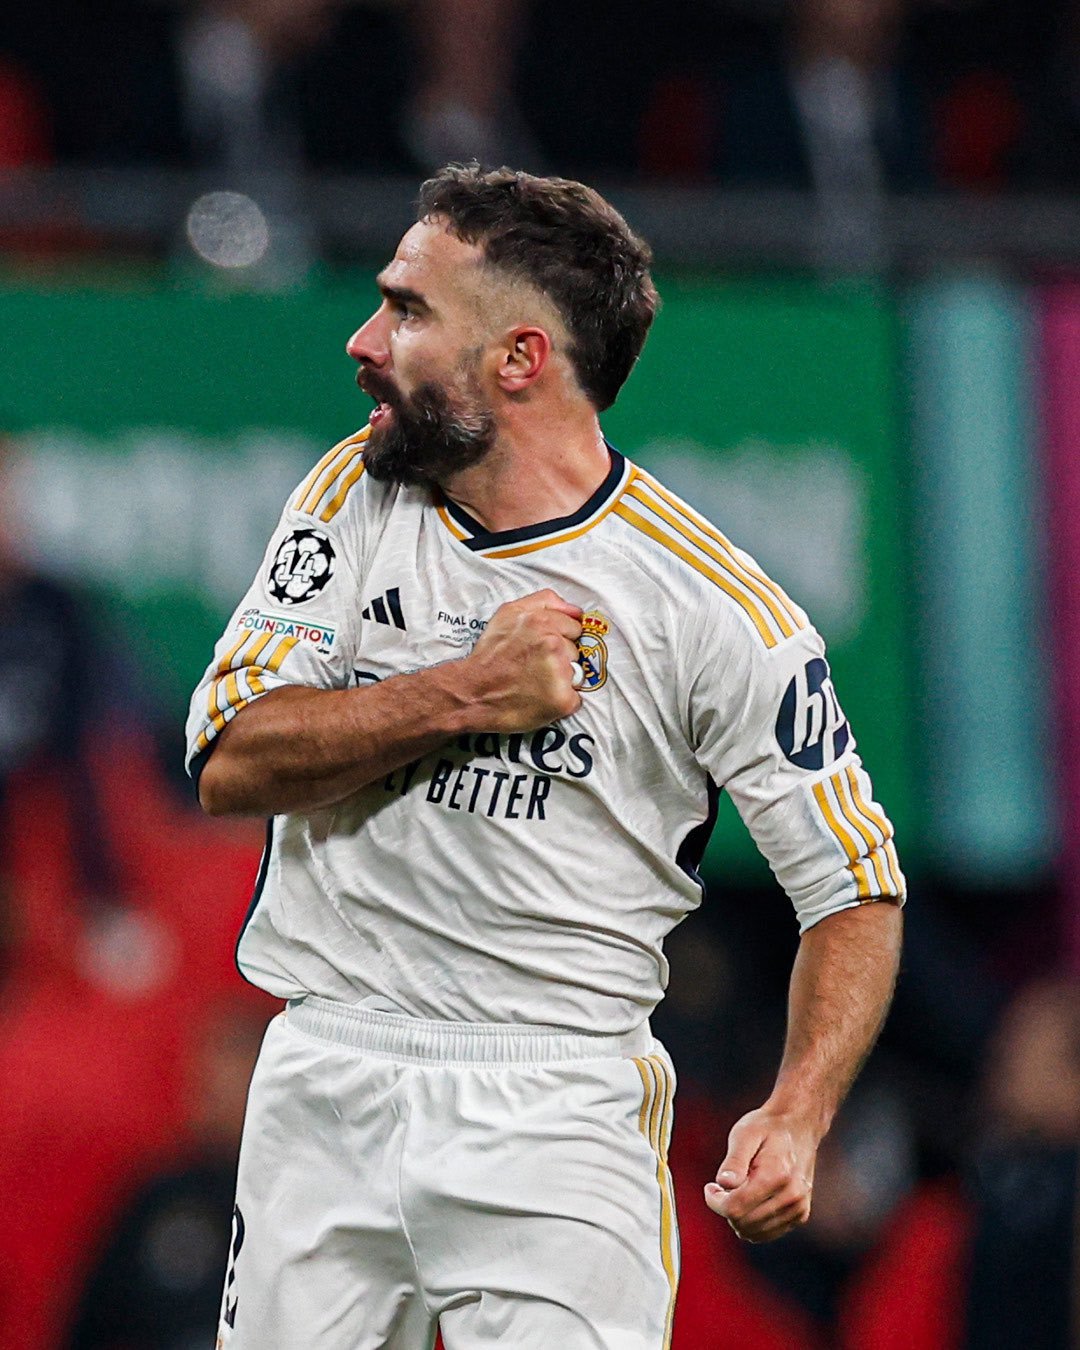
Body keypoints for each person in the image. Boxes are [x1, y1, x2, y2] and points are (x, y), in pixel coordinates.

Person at [187, 164, 905, 1349]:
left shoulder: (717, 611)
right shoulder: (352, 496)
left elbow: (854, 888)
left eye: (408, 311)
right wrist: (466, 691)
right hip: (326, 1074)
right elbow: (230, 762)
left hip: (556, 1109)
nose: (363, 341)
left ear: (521, 358)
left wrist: (800, 1107)